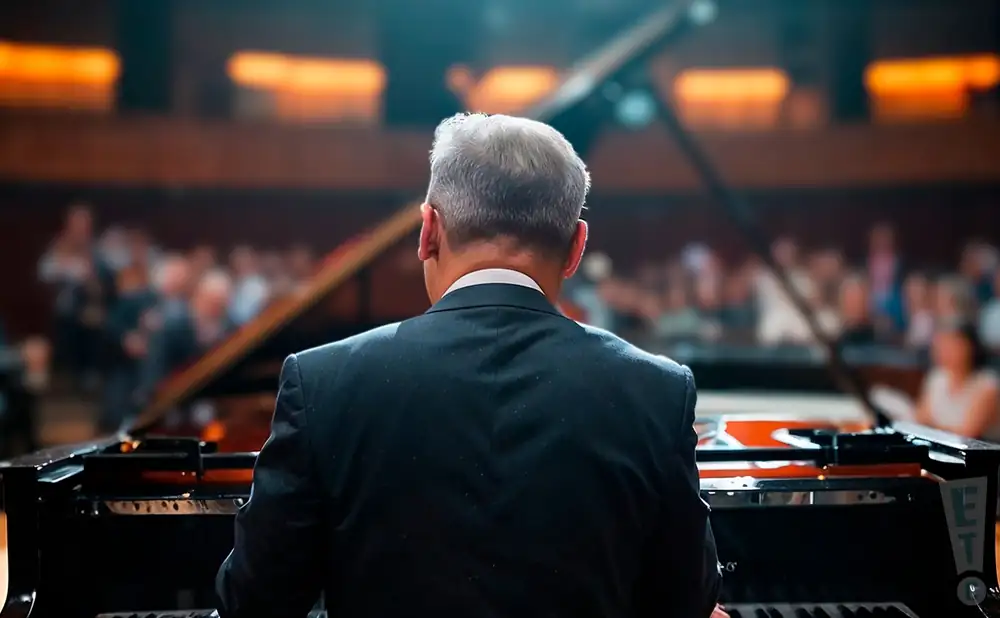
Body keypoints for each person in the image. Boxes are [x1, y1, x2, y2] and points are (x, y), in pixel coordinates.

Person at [216, 113, 724, 618]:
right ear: (575, 248)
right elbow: (685, 601)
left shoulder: (322, 382)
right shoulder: (657, 390)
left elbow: (255, 603)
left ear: (428, 232)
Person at [915, 319, 1000, 440]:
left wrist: (931, 428)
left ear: (970, 347)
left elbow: (968, 433)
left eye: (949, 344)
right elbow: (921, 419)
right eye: (939, 345)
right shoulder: (936, 377)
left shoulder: (987, 384)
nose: (941, 351)